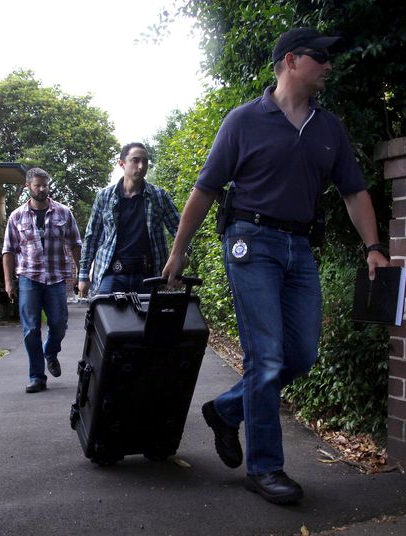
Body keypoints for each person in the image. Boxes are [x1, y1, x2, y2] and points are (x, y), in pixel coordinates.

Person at [162, 27, 389, 505]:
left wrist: (373, 246)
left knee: (300, 355)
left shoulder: (330, 128)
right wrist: (179, 250)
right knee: (265, 358)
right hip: (250, 243)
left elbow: (353, 191)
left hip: (300, 248)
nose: (329, 64)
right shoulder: (244, 121)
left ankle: (226, 410)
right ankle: (265, 469)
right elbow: (204, 189)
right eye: (320, 56)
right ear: (290, 60)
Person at [2, 167, 82, 393]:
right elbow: (8, 250)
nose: (42, 189)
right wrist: (9, 282)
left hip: (56, 279)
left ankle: (50, 351)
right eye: (37, 185)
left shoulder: (63, 213)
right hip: (29, 278)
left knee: (58, 324)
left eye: (45, 184)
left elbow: (75, 244)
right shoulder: (17, 216)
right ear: (28, 186)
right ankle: (37, 376)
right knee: (30, 329)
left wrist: (81, 273)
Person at [78, 142, 182, 297]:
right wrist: (83, 275)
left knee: (149, 321)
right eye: (135, 160)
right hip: (111, 274)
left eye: (145, 161)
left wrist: (182, 256)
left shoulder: (159, 196)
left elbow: (180, 229)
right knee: (104, 317)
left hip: (149, 276)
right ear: (122, 163)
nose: (141, 166)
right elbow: (91, 237)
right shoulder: (104, 197)